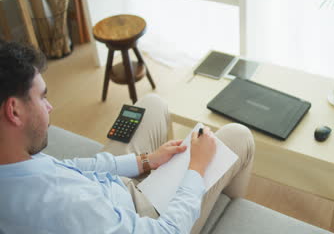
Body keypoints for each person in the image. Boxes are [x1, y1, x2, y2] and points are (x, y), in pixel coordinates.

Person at [0, 41, 255, 234]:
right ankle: (222, 211)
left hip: (110, 191)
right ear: (14, 110)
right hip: (141, 217)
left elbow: (70, 167)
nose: (50, 106)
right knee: (238, 136)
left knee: (151, 104)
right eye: (42, 97)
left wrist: (146, 161)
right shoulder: (66, 203)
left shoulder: (15, 161)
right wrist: (197, 169)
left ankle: (173, 178)